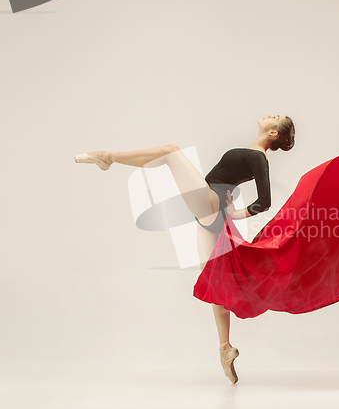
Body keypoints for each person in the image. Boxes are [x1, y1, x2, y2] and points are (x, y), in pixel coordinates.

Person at [75, 114, 296, 384]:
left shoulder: (259, 157)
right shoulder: (252, 153)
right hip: (211, 210)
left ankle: (107, 157)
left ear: (273, 132)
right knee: (214, 281)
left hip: (211, 202)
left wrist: (237, 214)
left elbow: (265, 201)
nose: (269, 115)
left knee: (170, 151)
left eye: (275, 118)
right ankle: (224, 348)